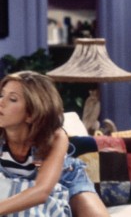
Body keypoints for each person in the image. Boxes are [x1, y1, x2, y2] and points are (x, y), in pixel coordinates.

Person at [0, 71, 108, 217]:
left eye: (12, 99)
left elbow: (41, 191)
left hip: (65, 179)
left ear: (31, 114)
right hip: (17, 185)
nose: (1, 102)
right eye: (2, 95)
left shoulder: (55, 136)